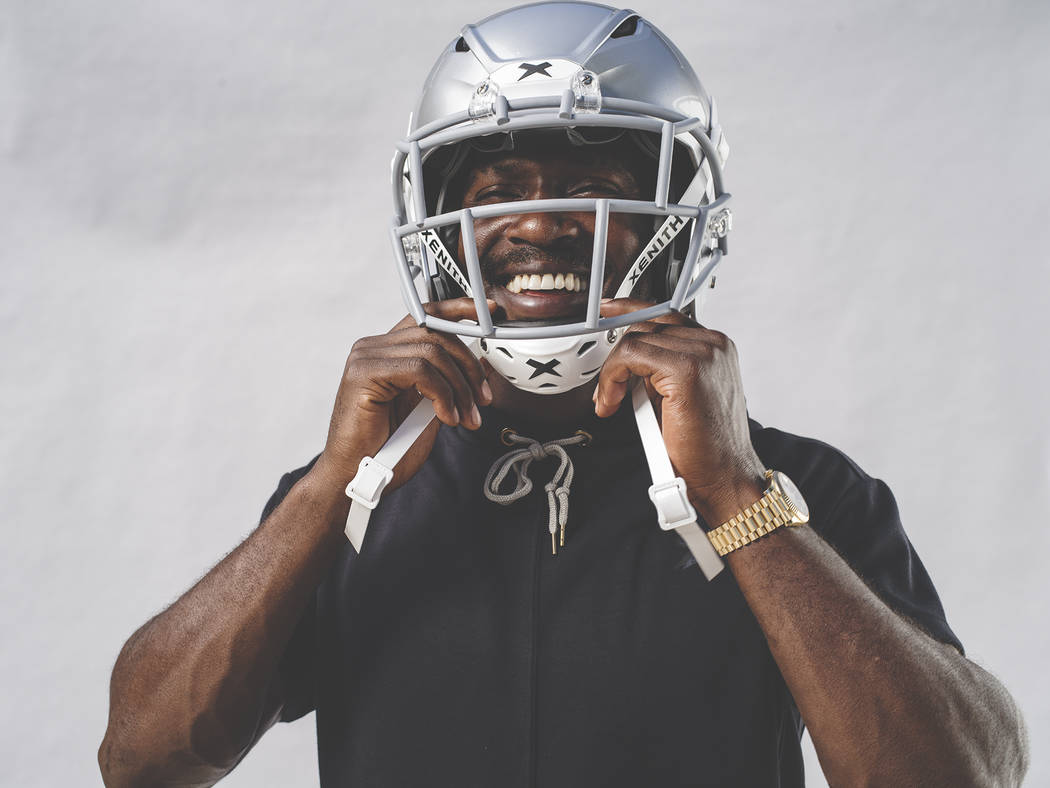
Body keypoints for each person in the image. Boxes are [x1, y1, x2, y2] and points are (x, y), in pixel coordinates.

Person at [99, 3, 1028, 786]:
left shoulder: (793, 486)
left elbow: (963, 774)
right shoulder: (355, 496)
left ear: (672, 224)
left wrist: (740, 501)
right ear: (440, 225)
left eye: (593, 188)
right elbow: (141, 761)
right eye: (501, 189)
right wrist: (327, 485)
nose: (540, 221)